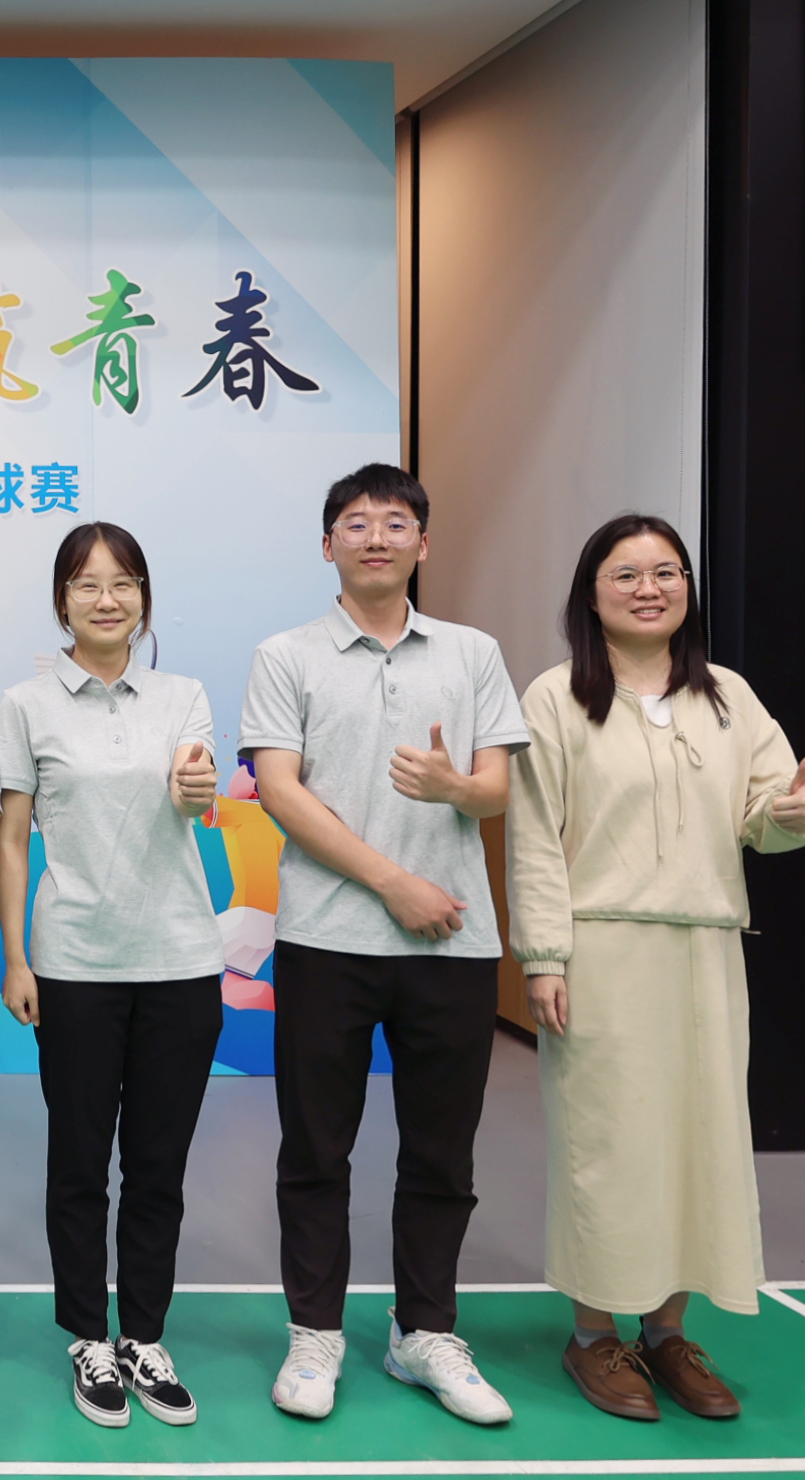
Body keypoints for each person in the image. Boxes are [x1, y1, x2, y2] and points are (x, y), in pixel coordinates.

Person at [508, 514, 805, 1422]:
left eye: (667, 572)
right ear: (591, 594)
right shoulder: (555, 698)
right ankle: (594, 1336)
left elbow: (772, 810)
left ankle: (666, 1332)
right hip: (601, 950)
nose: (649, 588)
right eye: (626, 574)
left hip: (707, 950)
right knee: (607, 1145)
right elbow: (534, 838)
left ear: (688, 588)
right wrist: (543, 955)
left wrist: (797, 808)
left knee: (699, 1143)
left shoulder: (728, 697)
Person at [242, 464, 527, 1427]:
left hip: (453, 942)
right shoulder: (286, 655)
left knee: (442, 1156)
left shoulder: (473, 653)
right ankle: (314, 1334)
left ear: (423, 544)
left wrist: (455, 789)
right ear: (327, 544)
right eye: (356, 524)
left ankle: (424, 1333)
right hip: (327, 939)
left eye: (395, 523)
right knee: (315, 1151)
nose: (376, 537)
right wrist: (394, 883)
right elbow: (280, 791)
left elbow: (498, 789)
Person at [0, 522, 224, 1431]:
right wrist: (17, 957)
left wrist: (197, 789)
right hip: (75, 964)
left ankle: (146, 1338)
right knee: (80, 1163)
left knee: (159, 1166)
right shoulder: (26, 703)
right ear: (62, 601)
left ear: (144, 598)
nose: (106, 599)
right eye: (87, 584)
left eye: (123, 582)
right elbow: (14, 840)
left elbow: (196, 786)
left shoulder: (183, 696)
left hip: (180, 961)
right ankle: (89, 1336)